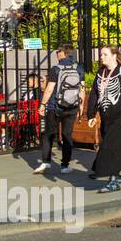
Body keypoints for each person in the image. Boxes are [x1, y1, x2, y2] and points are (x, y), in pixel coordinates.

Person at [84, 47, 121, 193]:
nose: (101, 57)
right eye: (101, 54)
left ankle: (114, 180)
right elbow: (95, 94)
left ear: (114, 56)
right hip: (106, 117)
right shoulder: (101, 73)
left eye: (105, 54)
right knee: (117, 150)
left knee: (109, 148)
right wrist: (91, 115)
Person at [34, 44, 82, 176]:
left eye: (58, 52)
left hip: (54, 106)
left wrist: (42, 104)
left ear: (63, 54)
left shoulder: (56, 69)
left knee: (49, 133)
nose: (56, 54)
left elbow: (49, 89)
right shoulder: (78, 68)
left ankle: (46, 161)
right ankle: (65, 166)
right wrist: (80, 107)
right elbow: (81, 89)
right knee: (67, 135)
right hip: (72, 106)